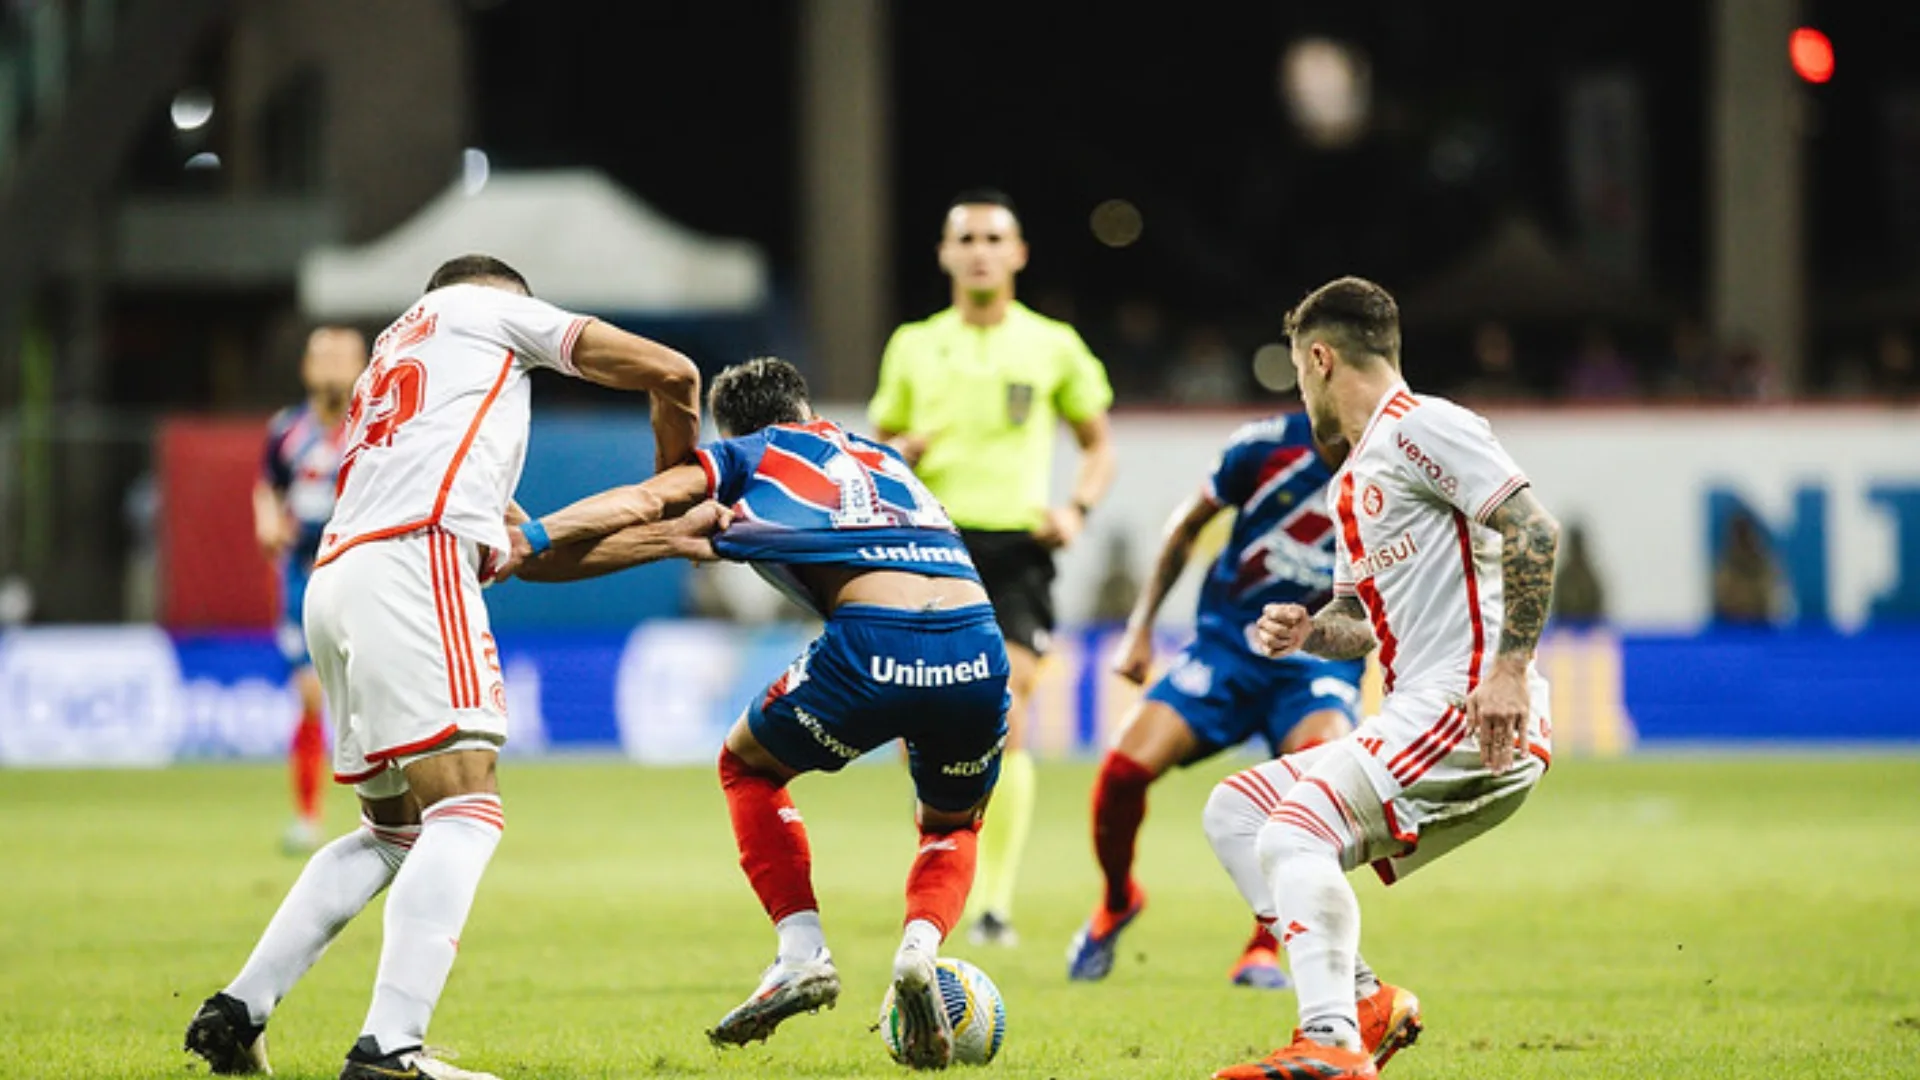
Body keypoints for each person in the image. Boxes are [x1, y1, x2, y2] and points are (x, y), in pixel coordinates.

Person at [183, 254, 702, 1080]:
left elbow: (528, 550)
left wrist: (664, 533)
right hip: (412, 566)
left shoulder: (410, 371)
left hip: (335, 579)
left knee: (390, 833)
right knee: (468, 808)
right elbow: (672, 369)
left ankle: (239, 1008)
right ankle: (389, 1048)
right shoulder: (489, 312)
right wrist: (680, 465)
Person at [504, 357, 1009, 1070]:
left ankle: (802, 953)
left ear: (733, 430)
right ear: (805, 410)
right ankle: (919, 953)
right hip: (979, 645)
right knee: (953, 824)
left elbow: (646, 502)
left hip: (875, 641)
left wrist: (534, 538)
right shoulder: (879, 455)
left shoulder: (753, 456)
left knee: (746, 765)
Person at [1202, 277, 1560, 1080]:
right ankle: (1363, 1001)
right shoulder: (1356, 478)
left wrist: (1508, 672)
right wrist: (1308, 629)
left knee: (1297, 832)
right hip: (1417, 708)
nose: (1303, 393)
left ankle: (1329, 1043)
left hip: (1466, 706)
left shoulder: (1425, 426)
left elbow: (1534, 530)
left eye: (1299, 374)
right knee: (1236, 812)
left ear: (1320, 359)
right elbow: (1364, 623)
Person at [869, 188, 1116, 946]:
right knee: (925, 729)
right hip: (931, 542)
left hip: (1016, 549)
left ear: (1018, 254)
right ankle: (943, 873)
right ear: (945, 254)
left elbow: (1098, 443)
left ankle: (992, 906)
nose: (978, 249)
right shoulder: (913, 344)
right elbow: (877, 449)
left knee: (1005, 710)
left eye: (992, 237)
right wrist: (900, 454)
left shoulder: (1053, 344)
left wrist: (1074, 509)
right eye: (965, 237)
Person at [1068, 411, 1361, 987]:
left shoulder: (1392, 467)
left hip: (1316, 661)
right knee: (1124, 769)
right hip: (1229, 646)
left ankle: (1262, 950)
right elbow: (1186, 526)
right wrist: (1141, 627)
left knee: (1321, 784)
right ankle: (1118, 900)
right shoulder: (1264, 448)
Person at [254, 326, 368, 854]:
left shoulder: (374, 425)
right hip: (304, 576)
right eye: (321, 355)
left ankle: (394, 809)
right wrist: (267, 521)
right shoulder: (287, 430)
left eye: (342, 356)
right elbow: (268, 486)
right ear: (305, 367)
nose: (331, 366)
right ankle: (308, 814)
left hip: (365, 574)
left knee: (374, 690)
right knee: (309, 695)